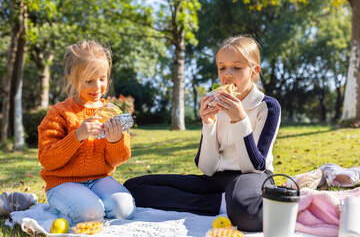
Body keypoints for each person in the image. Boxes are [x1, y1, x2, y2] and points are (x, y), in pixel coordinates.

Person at [124, 35, 281, 231]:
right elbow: (207, 168)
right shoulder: (216, 103)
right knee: (134, 188)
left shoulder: (267, 106)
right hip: (216, 180)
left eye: (237, 67)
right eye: (222, 67)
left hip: (252, 178)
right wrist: (208, 124)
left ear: (254, 72)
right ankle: (222, 204)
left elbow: (255, 166)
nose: (227, 75)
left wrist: (239, 120)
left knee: (247, 212)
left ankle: (230, 203)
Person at [38, 40, 135, 225]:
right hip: (62, 182)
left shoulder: (111, 112)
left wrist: (115, 140)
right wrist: (77, 137)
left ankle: (88, 202)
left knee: (125, 210)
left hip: (99, 179)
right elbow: (47, 159)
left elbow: (118, 159)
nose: (97, 86)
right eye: (88, 81)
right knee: (90, 214)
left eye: (102, 78)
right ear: (71, 79)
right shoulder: (60, 113)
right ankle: (69, 206)